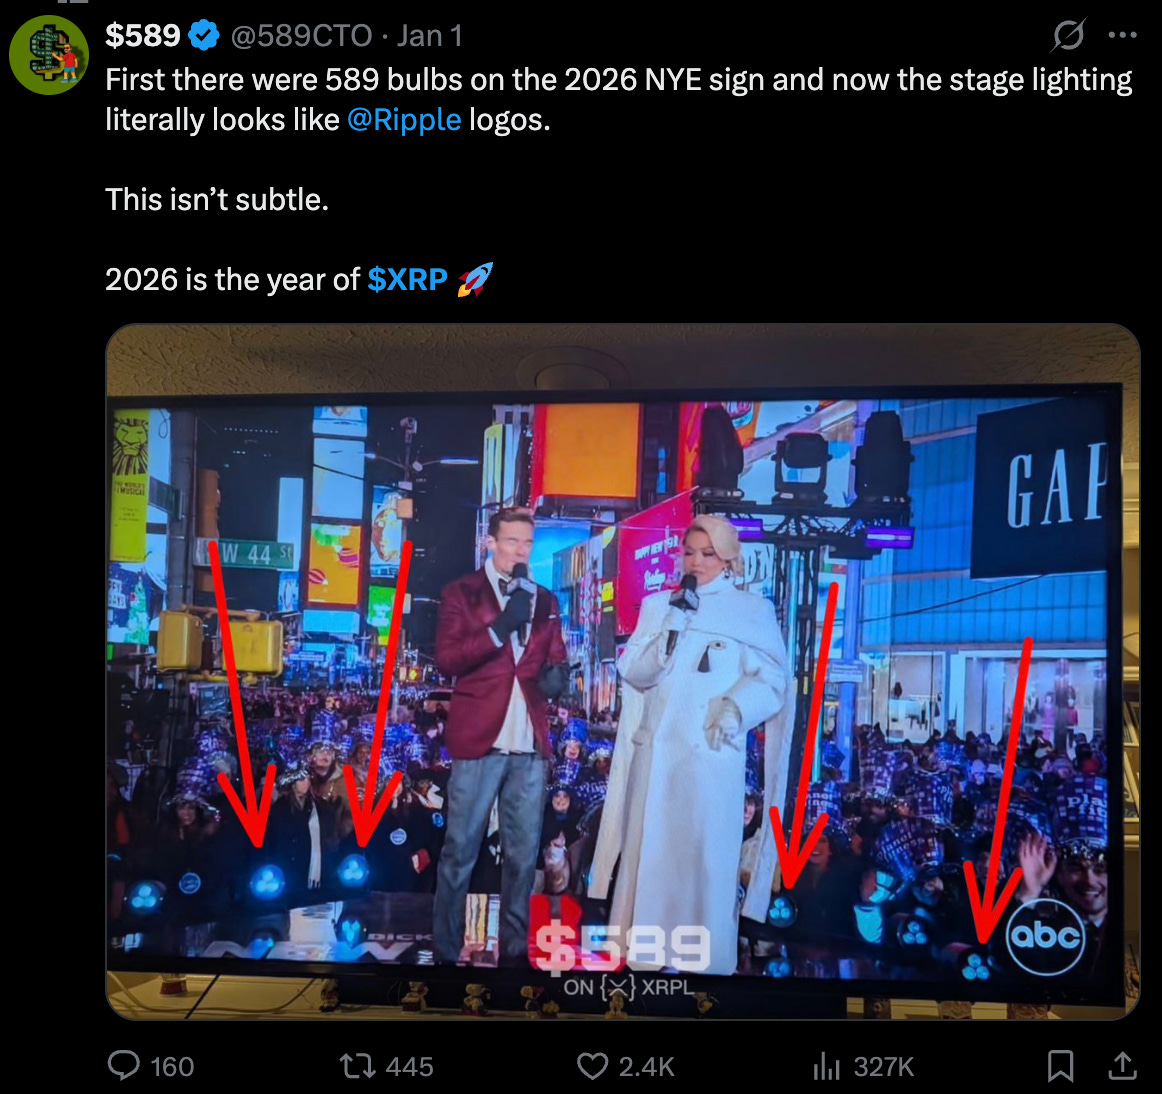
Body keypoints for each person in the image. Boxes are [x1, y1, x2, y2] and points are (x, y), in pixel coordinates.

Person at [590, 516, 790, 975]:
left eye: (708, 554)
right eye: (689, 552)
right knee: (651, 860)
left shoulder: (751, 611)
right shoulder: (660, 605)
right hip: (655, 761)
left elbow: (772, 681)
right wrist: (671, 628)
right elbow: (635, 671)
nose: (696, 562)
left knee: (703, 864)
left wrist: (737, 707)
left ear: (728, 559)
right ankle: (646, 960)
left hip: (709, 763)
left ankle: (702, 968)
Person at [432, 508, 568, 965]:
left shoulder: (545, 600)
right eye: (511, 541)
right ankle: (446, 952)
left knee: (523, 856)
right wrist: (499, 629)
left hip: (529, 745)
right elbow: (448, 658)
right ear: (489, 543)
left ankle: (513, 954)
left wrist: (557, 678)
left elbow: (555, 656)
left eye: (527, 543)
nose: (520, 552)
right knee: (460, 851)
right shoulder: (461, 592)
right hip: (479, 741)